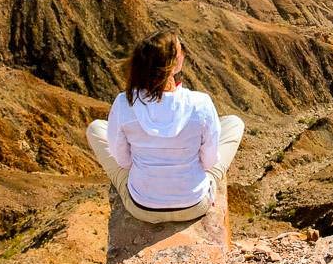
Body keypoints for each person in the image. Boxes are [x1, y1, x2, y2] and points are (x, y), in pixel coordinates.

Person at [86, 30, 244, 223]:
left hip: (142, 208)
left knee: (96, 128)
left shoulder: (124, 103)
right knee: (233, 123)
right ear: (174, 63)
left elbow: (123, 161)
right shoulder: (201, 103)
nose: (185, 52)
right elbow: (209, 161)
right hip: (194, 206)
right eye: (181, 50)